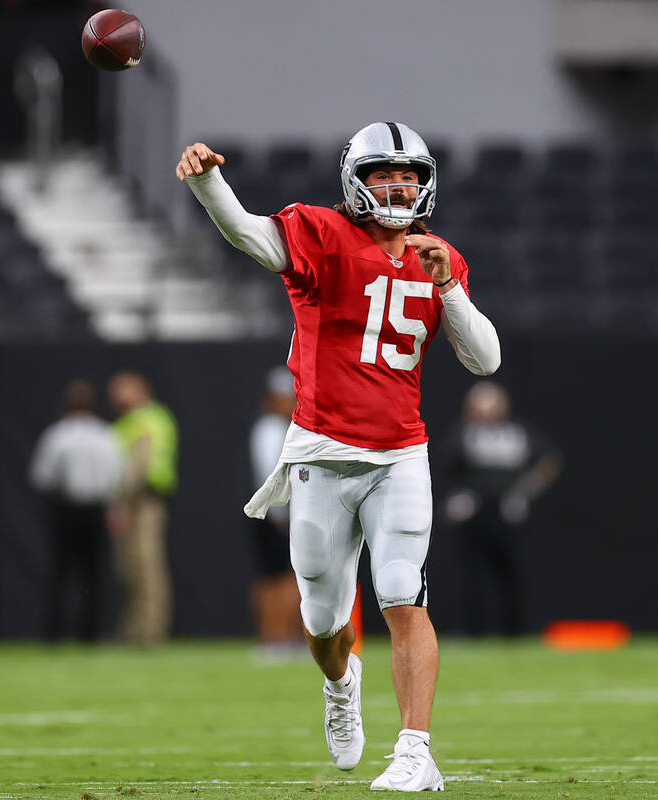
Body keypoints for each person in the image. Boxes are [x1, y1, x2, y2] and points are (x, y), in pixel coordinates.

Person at [178, 121, 501, 791]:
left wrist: (448, 288)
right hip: (324, 457)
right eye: (385, 173)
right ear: (355, 180)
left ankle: (416, 751)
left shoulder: (440, 255)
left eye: (410, 175)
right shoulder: (322, 235)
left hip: (400, 455)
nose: (399, 185)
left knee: (402, 593)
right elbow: (247, 232)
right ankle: (340, 685)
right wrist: (211, 182)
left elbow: (486, 359)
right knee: (323, 622)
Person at [441, 380, 561, 637]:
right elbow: (446, 465)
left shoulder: (517, 432)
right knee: (473, 574)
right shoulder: (465, 433)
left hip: (508, 510)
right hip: (476, 511)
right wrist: (458, 496)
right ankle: (474, 631)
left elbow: (548, 459)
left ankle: (515, 632)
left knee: (512, 573)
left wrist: (526, 491)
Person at [29, 379, 124, 642]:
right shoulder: (107, 434)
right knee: (93, 574)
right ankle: (89, 635)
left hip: (66, 508)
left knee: (60, 573)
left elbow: (42, 477)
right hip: (96, 509)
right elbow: (117, 475)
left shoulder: (58, 435)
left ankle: (54, 634)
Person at [108, 371, 179, 645]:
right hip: (133, 501)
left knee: (147, 566)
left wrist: (121, 503)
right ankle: (135, 630)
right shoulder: (129, 421)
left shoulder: (148, 419)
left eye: (121, 389)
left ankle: (150, 632)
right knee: (131, 568)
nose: (115, 396)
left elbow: (138, 465)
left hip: (145, 501)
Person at [248, 366, 305, 661]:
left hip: (273, 514)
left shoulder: (274, 428)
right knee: (281, 577)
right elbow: (272, 474)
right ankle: (277, 638)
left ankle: (278, 638)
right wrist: (282, 514)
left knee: (277, 576)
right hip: (277, 516)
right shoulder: (271, 429)